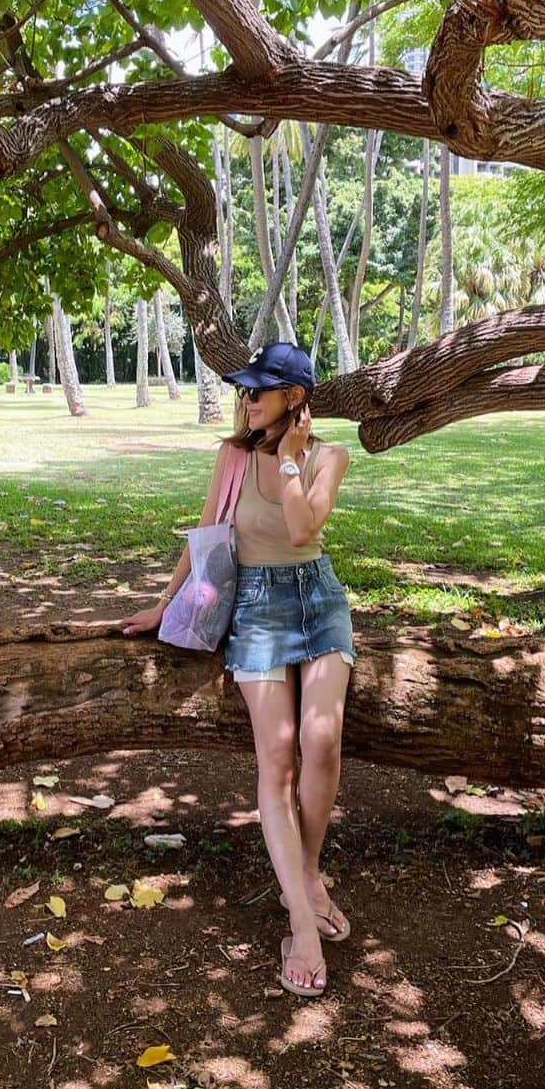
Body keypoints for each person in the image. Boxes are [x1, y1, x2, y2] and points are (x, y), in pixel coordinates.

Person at [119, 341, 354, 998]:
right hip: (256, 607)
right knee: (278, 756)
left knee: (322, 740)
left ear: (296, 397)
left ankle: (306, 874)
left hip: (318, 600)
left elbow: (304, 530)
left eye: (260, 390)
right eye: (245, 391)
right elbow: (205, 539)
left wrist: (285, 464)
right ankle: (302, 925)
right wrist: (162, 605)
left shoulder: (328, 457)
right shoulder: (230, 458)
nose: (246, 400)